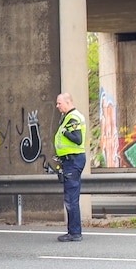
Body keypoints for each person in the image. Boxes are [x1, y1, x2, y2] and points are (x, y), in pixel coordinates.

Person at [54, 92, 86, 242]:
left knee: (71, 198)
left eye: (59, 103)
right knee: (71, 197)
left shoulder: (72, 118)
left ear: (67, 102)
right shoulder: (69, 116)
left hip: (73, 161)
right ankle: (73, 231)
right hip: (71, 161)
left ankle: (74, 232)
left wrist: (65, 132)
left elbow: (78, 139)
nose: (57, 106)